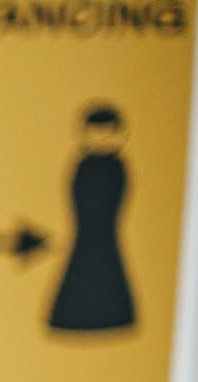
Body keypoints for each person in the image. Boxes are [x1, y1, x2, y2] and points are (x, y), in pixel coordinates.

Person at [48, 103, 136, 333]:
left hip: (103, 237)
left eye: (105, 131)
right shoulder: (85, 166)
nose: (101, 137)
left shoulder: (114, 167)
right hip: (87, 236)